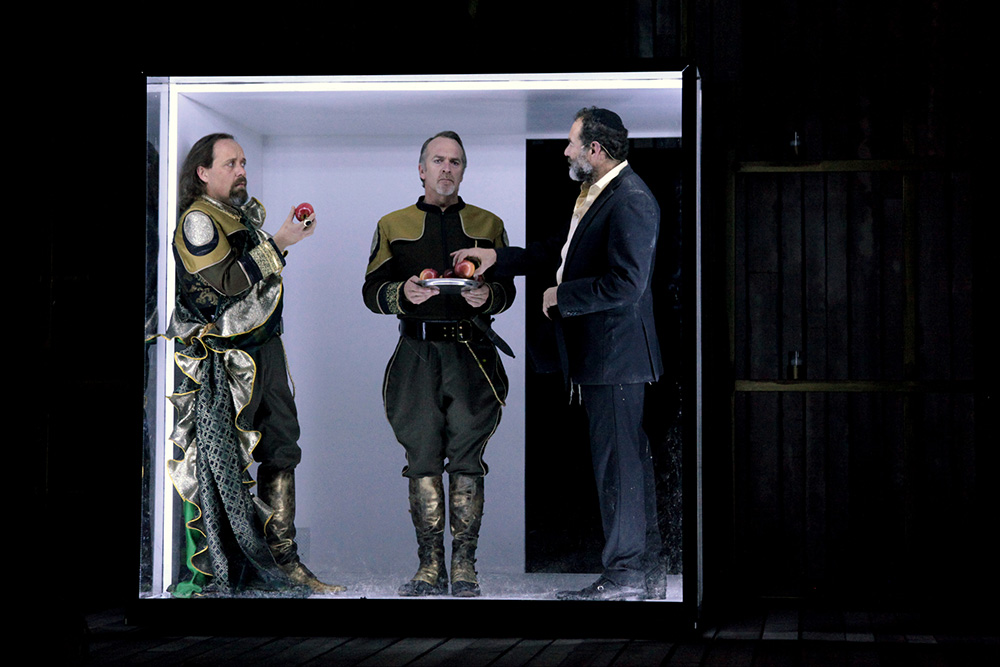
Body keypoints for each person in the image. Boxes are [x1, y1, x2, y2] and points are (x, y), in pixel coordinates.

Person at [452, 108, 666, 601]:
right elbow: (561, 251)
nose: (566, 151)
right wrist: (499, 259)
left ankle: (628, 576)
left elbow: (628, 283)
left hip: (617, 358)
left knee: (621, 467)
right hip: (607, 359)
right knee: (626, 465)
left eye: (572, 143)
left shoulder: (631, 199)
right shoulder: (602, 193)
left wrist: (560, 298)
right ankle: (643, 573)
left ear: (595, 150)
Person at [167, 133, 345, 596]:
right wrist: (280, 242)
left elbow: (253, 277)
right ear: (202, 172)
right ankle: (244, 566)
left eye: (243, 162)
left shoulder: (235, 214)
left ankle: (284, 563)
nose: (241, 170)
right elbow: (228, 282)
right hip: (227, 362)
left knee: (282, 444)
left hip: (265, 348)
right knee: (233, 461)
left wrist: (280, 240)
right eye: (230, 163)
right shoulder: (199, 220)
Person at [363, 131, 516, 597]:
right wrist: (400, 295)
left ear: (463, 170)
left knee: (468, 459)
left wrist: (489, 294)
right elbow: (371, 292)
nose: (447, 168)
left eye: (455, 161)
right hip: (415, 353)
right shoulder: (392, 224)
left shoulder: (489, 224)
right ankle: (429, 567)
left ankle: (465, 567)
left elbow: (507, 292)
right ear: (421, 168)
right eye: (438, 160)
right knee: (422, 457)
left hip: (473, 353)